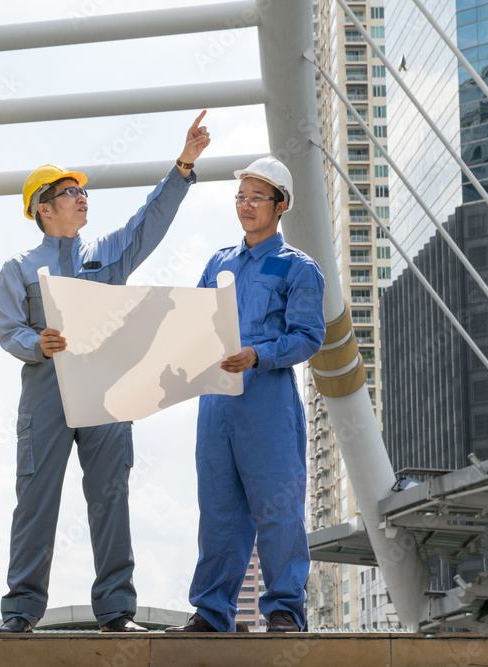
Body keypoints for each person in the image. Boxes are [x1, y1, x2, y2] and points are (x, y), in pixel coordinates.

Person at [0, 112, 211, 634]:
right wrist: (35, 342)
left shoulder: (107, 255)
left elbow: (147, 223)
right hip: (46, 396)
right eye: (69, 192)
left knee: (111, 500)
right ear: (42, 209)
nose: (81, 197)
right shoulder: (18, 267)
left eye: (81, 192)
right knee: (35, 503)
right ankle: (21, 612)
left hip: (106, 394)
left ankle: (116, 611)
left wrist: (183, 166)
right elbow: (7, 329)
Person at [165, 156, 325, 634]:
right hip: (215, 405)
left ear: (282, 206)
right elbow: (191, 322)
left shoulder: (299, 268)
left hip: (268, 405)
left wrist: (258, 354)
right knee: (218, 513)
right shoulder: (218, 262)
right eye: (241, 196)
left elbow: (308, 337)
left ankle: (283, 612)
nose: (246, 205)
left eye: (257, 197)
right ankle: (213, 613)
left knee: (278, 510)